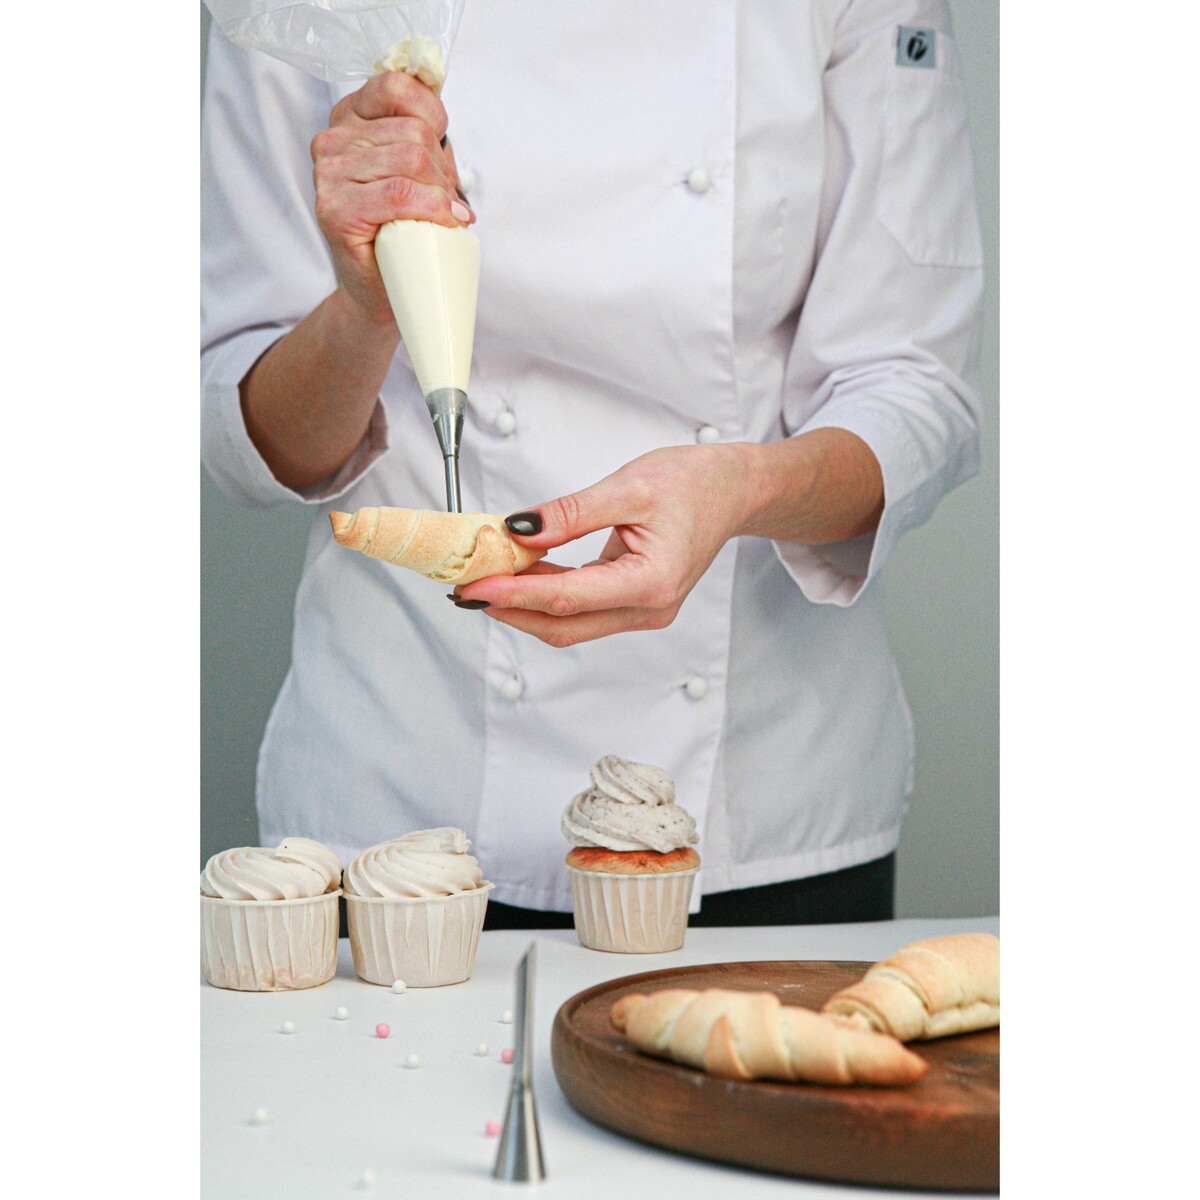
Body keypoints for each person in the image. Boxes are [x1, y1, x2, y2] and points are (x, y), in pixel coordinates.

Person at [201, 0, 984, 929]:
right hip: (403, 795)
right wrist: (370, 305)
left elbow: (912, 386)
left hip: (757, 807)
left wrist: (741, 489)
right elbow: (247, 441)